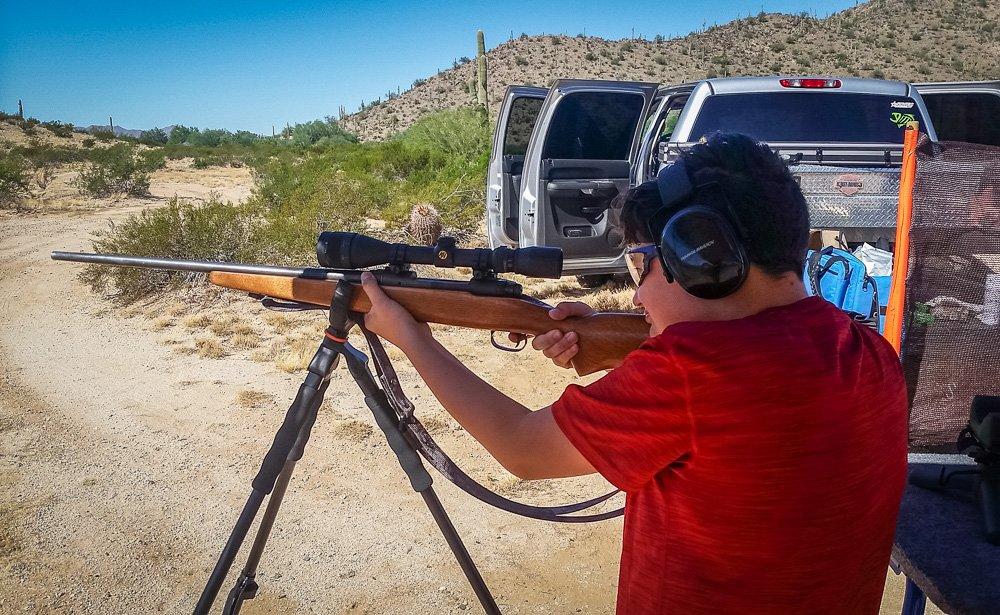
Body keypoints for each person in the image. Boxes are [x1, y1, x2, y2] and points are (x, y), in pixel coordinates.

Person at [359, 132, 908, 614]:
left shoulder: (689, 374)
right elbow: (762, 370)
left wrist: (412, 337)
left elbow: (522, 449)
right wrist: (614, 336)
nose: (640, 293)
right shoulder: (865, 349)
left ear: (700, 256)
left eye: (641, 266)